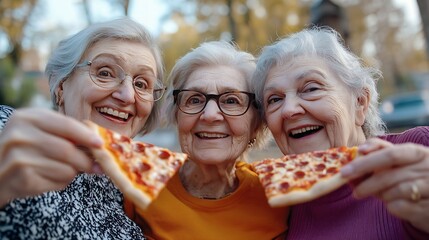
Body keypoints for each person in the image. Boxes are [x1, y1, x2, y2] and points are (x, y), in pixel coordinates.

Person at [251, 26, 429, 239]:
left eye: (311, 89)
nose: (289, 110)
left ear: (360, 103)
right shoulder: (279, 199)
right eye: (275, 99)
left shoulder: (419, 148)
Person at [0, 18, 165, 239]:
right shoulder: (7, 130)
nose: (127, 96)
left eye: (142, 84)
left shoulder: (133, 192)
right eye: (105, 73)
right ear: (61, 86)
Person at [123, 41, 289, 239]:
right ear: (176, 115)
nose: (210, 115)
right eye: (194, 99)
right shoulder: (136, 182)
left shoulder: (281, 196)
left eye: (231, 101)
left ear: (257, 125)